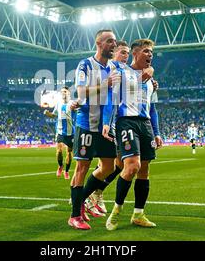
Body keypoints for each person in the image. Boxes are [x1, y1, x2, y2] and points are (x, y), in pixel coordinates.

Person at [88, 41, 159, 214]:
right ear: (112, 55)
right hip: (102, 120)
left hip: (118, 121)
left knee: (118, 164)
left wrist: (149, 76)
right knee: (107, 164)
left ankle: (95, 192)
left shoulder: (130, 73)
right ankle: (85, 197)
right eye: (122, 53)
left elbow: (150, 105)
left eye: (127, 54)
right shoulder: (108, 70)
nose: (125, 57)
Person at [103, 39, 163, 231]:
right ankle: (116, 211)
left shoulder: (152, 82)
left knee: (144, 170)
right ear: (135, 53)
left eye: (151, 52)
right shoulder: (121, 72)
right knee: (132, 167)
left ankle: (138, 214)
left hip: (145, 124)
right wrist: (107, 123)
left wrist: (157, 133)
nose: (150, 55)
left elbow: (153, 109)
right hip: (126, 121)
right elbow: (110, 98)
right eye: (146, 51)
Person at [67, 29, 120, 230]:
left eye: (115, 41)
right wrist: (104, 84)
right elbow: (80, 92)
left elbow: (111, 100)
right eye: (110, 41)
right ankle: (74, 215)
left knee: (109, 166)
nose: (113, 45)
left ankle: (81, 200)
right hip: (86, 125)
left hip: (103, 126)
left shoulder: (114, 67)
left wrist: (107, 122)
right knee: (82, 168)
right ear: (99, 44)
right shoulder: (86, 64)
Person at [43, 86, 75, 180]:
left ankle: (66, 171)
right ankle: (60, 166)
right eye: (61, 92)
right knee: (59, 151)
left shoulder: (73, 103)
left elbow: (78, 112)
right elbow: (54, 115)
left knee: (69, 152)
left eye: (65, 91)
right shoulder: (58, 104)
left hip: (70, 132)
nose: (63, 93)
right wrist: (48, 114)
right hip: (60, 131)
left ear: (68, 93)